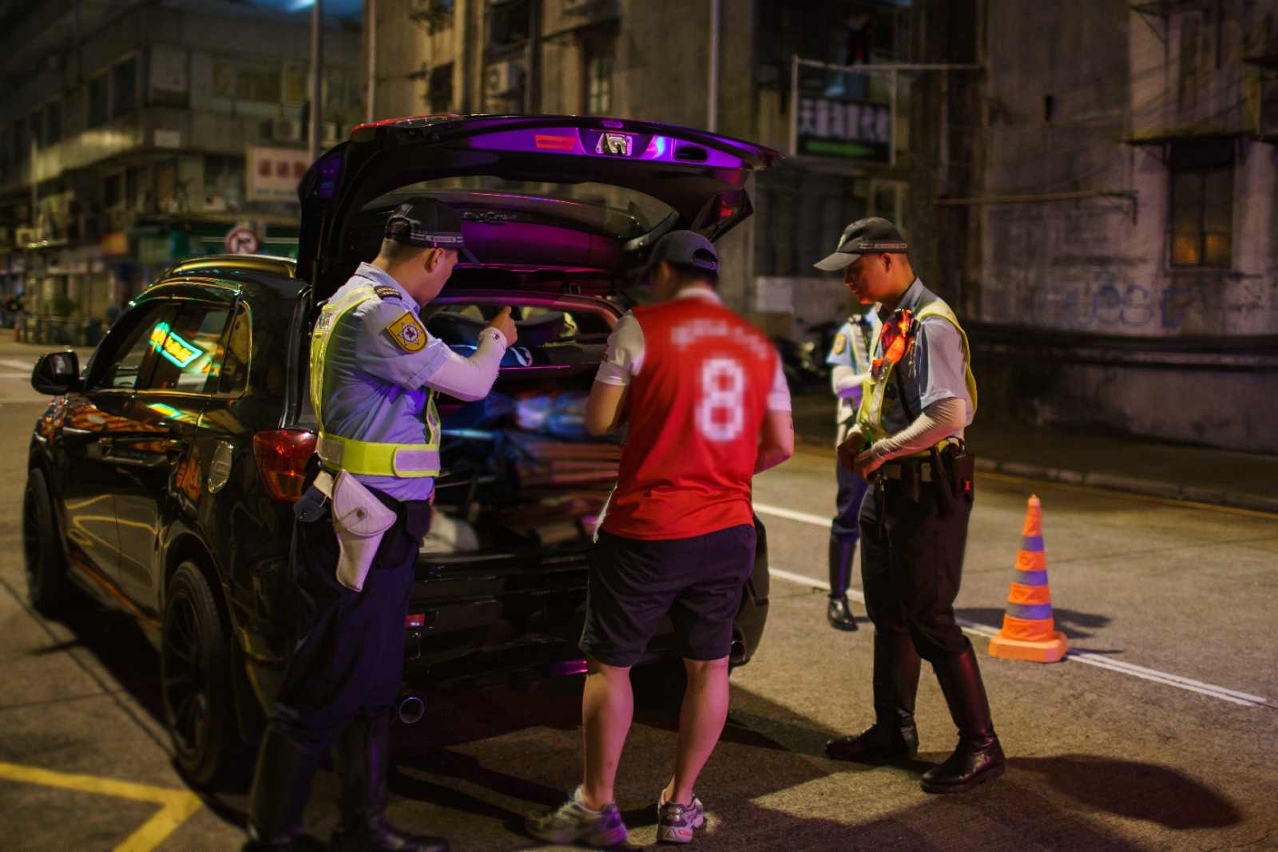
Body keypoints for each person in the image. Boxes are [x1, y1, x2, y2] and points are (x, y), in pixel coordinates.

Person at [244, 198, 518, 852]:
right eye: (452, 264)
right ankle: (271, 836)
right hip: (360, 526)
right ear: (436, 255)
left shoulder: (357, 301)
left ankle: (363, 827)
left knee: (370, 684)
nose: (449, 275)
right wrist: (497, 337)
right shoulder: (379, 313)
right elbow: (473, 383)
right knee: (324, 683)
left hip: (375, 521)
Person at [525, 231, 794, 846]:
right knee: (710, 666)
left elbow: (598, 420)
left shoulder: (639, 327)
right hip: (727, 529)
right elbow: (781, 444)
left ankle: (596, 806)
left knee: (610, 665)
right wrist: (722, 475)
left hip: (646, 529)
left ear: (665, 275)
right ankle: (681, 804)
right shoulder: (758, 344)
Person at [816, 217, 1005, 794]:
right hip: (890, 489)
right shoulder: (889, 319)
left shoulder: (931, 324)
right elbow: (885, 399)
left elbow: (949, 414)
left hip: (927, 491)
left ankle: (981, 744)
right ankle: (893, 731)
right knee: (889, 615)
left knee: (931, 619)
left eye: (855, 268)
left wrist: (883, 451)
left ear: (889, 260)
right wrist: (860, 434)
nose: (848, 280)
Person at [824, 298, 880, 630]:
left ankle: (885, 599)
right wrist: (874, 375)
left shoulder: (908, 329)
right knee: (849, 517)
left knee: (889, 523)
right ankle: (837, 597)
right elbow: (839, 385)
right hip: (857, 441)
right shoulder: (855, 330)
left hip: (895, 440)